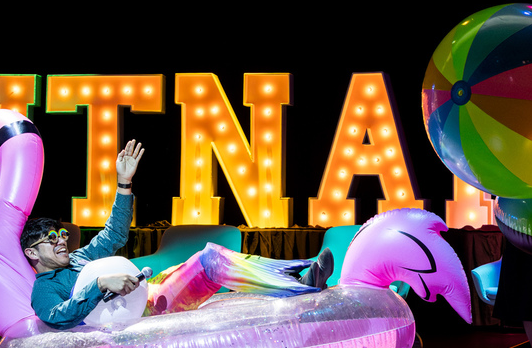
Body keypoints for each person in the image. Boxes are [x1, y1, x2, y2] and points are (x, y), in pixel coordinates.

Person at [22, 139, 333, 330]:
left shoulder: (81, 257)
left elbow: (115, 233)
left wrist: (124, 183)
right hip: (143, 309)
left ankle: (297, 279)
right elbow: (57, 318)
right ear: (32, 253)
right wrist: (99, 284)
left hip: (151, 289)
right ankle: (298, 288)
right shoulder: (44, 288)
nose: (61, 239)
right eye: (51, 238)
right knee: (211, 261)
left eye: (61, 233)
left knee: (210, 257)